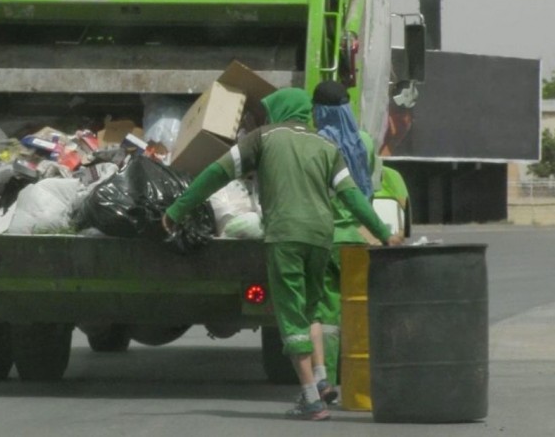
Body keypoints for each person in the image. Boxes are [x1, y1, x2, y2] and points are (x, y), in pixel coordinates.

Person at [162, 87, 403, 421]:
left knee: (291, 316)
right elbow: (352, 197)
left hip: (286, 236)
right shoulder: (325, 145)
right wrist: (383, 233)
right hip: (321, 237)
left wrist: (178, 208)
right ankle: (321, 381)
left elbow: (218, 173)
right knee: (312, 309)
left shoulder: (263, 138)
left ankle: (311, 400)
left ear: (279, 111)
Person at [311, 80, 381, 391]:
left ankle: (327, 378)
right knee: (358, 308)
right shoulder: (364, 142)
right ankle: (361, 378)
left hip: (325, 238)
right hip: (358, 237)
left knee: (327, 314)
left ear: (318, 110)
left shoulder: (316, 144)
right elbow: (369, 189)